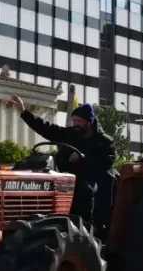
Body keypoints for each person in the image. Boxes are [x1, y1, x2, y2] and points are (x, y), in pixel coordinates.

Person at [11, 96, 116, 228]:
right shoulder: (68, 134)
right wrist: (23, 113)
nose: (74, 123)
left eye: (78, 121)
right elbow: (45, 127)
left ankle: (86, 226)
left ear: (88, 122)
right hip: (66, 178)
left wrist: (84, 157)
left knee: (85, 189)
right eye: (73, 120)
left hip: (92, 179)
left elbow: (107, 162)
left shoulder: (104, 141)